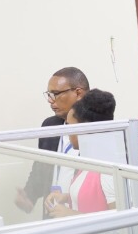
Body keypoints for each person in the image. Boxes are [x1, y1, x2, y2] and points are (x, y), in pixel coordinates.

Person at [16, 68, 90, 214]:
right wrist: (28, 197)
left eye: (56, 94)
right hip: (54, 215)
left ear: (78, 93)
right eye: (49, 95)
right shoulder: (50, 126)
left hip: (84, 218)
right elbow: (41, 168)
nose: (51, 101)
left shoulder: (99, 130)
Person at [45, 89, 117, 217]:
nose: (68, 133)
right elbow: (93, 197)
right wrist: (66, 197)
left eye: (70, 127)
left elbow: (121, 220)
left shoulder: (108, 171)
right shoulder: (89, 160)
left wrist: (71, 215)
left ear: (85, 129)